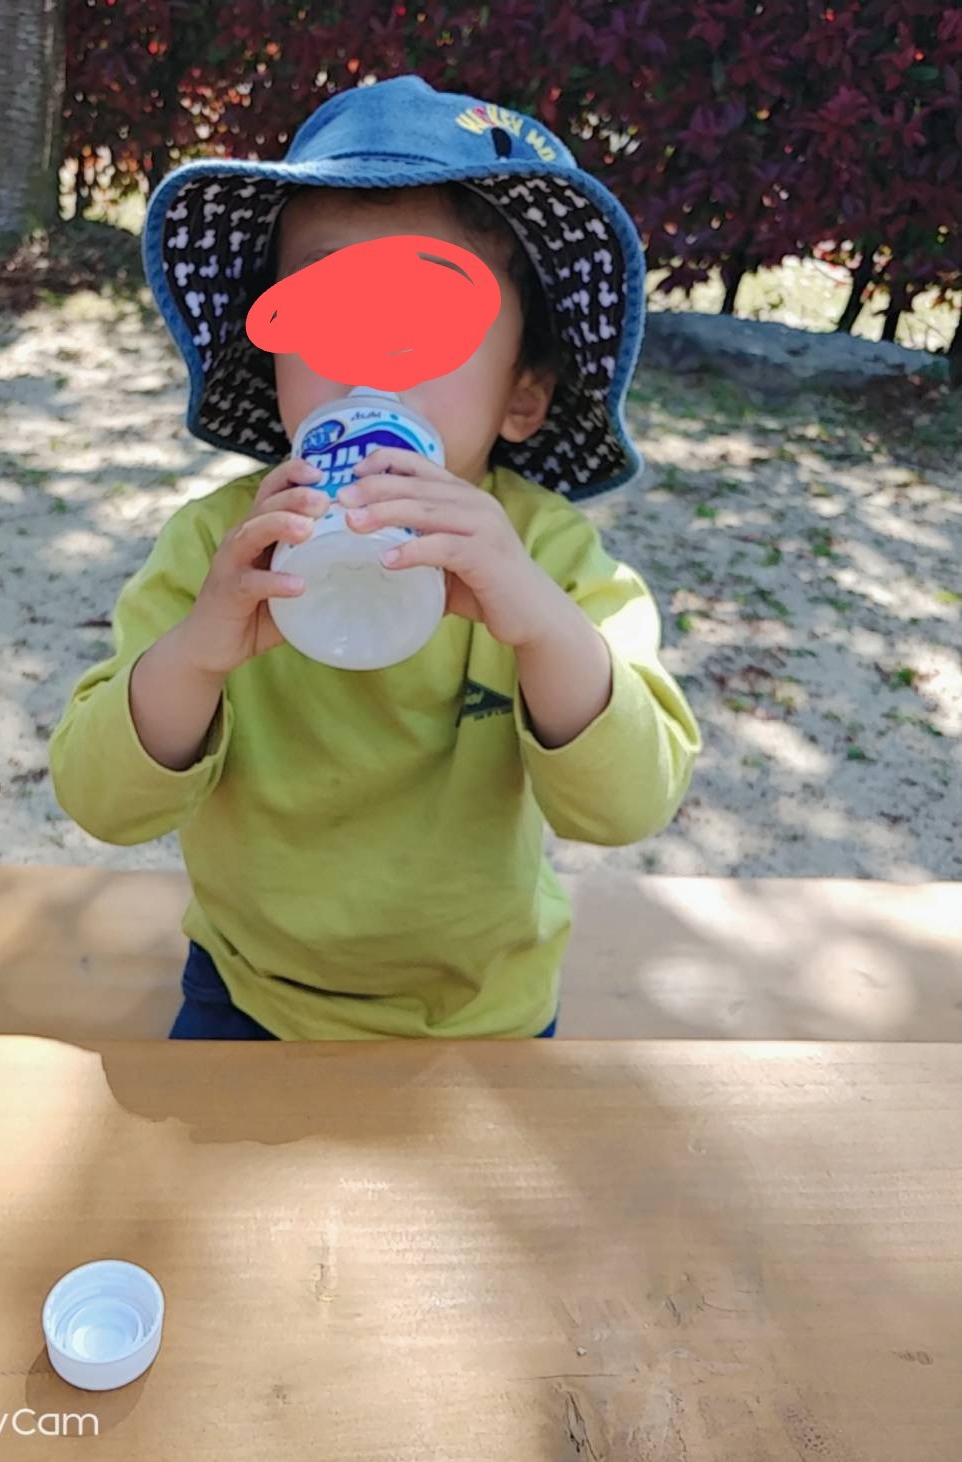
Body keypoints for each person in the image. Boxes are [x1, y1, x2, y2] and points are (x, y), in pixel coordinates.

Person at [48, 74, 703, 1042]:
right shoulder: (219, 546)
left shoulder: (550, 556)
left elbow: (627, 806)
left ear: (523, 395)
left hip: (484, 1005)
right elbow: (101, 802)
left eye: (424, 313)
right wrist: (195, 652)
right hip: (251, 987)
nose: (367, 358)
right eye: (322, 311)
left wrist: (541, 629)